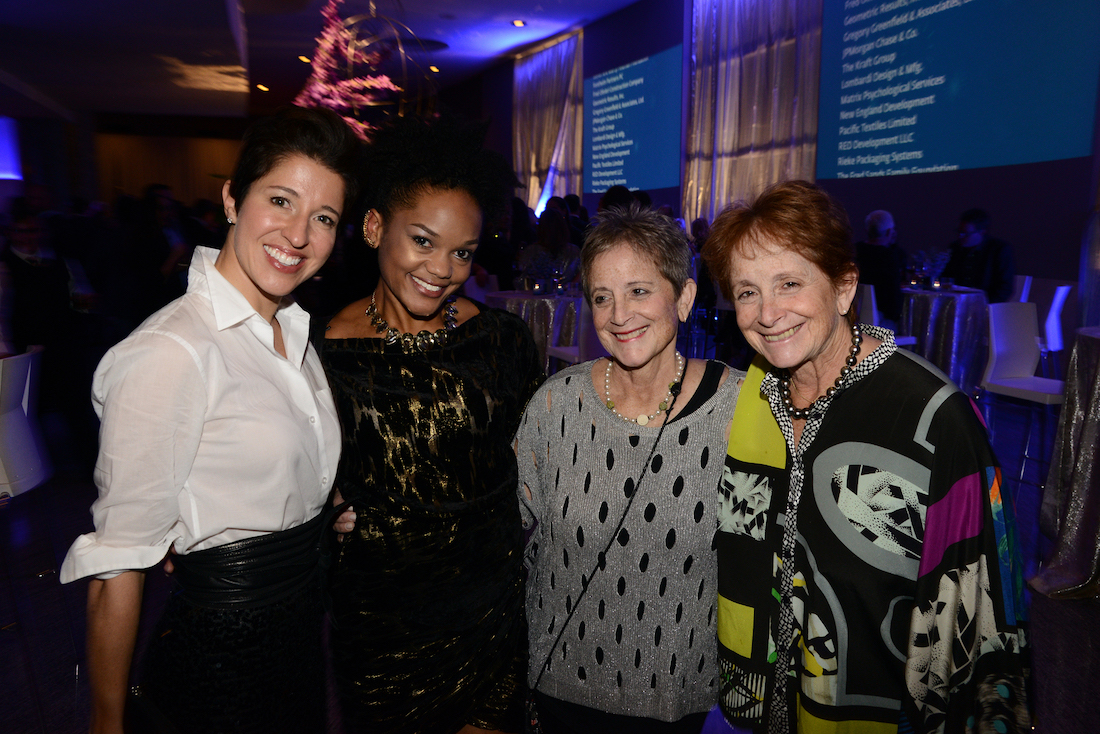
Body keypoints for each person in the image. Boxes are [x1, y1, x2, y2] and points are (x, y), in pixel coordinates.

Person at [58, 105, 360, 734]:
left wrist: (327, 506)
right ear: (231, 198)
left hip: (299, 653)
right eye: (280, 200)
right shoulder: (170, 352)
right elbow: (117, 566)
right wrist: (107, 722)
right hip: (222, 669)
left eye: (323, 218)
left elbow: (258, 470)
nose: (298, 234)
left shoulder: (292, 336)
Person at [704, 180, 1029, 733]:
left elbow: (982, 623)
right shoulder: (750, 400)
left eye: (789, 282)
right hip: (768, 711)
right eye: (747, 291)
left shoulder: (932, 419)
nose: (768, 312)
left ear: (844, 287)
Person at [322, 115, 543, 734]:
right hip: (381, 623)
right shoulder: (321, 354)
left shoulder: (499, 341)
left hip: (490, 610)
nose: (443, 268)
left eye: (463, 252)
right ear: (373, 227)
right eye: (423, 241)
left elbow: (543, 457)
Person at [515, 203, 744, 733]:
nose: (619, 315)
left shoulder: (738, 409)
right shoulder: (555, 406)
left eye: (639, 291)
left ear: (683, 297)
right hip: (560, 686)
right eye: (602, 297)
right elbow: (504, 531)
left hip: (676, 698)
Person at [939, 207, 1015, 303]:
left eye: (965, 233)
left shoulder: (999, 250)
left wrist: (984, 306)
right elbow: (946, 277)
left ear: (982, 232)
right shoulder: (955, 248)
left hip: (985, 307)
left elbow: (1005, 288)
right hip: (955, 304)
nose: (960, 236)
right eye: (959, 232)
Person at [854, 209, 906, 331]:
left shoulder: (855, 251)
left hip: (853, 317)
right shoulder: (888, 258)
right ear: (889, 232)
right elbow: (893, 302)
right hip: (879, 321)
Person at [518, 208, 582, 284]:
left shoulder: (531, 251)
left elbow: (522, 279)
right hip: (565, 294)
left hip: (534, 294)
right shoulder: (574, 251)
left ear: (541, 228)